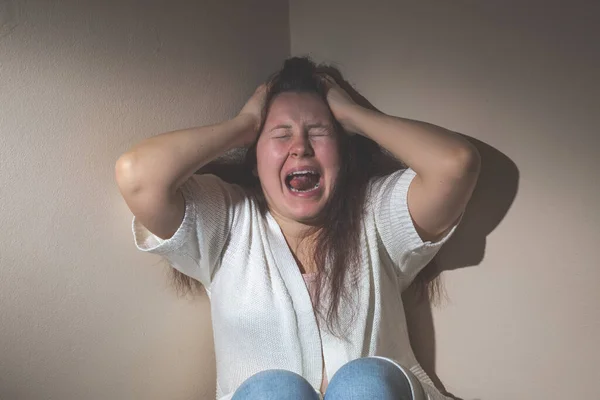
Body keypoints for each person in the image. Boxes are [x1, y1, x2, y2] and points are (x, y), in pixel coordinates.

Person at [115, 57, 480, 400]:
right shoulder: (227, 219)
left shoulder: (376, 213)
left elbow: (455, 165)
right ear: (256, 160)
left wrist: (354, 116)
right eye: (280, 134)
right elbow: (138, 177)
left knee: (362, 383)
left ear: (342, 153)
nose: (301, 148)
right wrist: (242, 126)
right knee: (273, 390)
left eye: (319, 132)